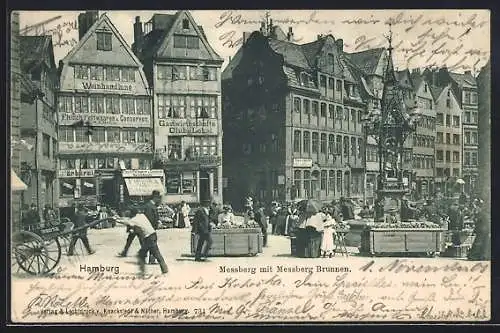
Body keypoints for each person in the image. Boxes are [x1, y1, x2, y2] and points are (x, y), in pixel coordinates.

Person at [116, 207, 168, 275]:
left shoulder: (134, 220)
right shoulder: (142, 215)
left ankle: (143, 271)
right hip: (153, 234)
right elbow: (129, 220)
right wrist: (119, 218)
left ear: (132, 213)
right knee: (156, 253)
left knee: (142, 255)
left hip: (148, 238)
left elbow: (126, 222)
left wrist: (117, 220)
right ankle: (164, 269)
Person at [143, 190, 162, 264]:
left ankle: (151, 259)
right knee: (150, 244)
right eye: (158, 198)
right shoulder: (149, 206)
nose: (159, 200)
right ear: (155, 198)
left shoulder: (152, 206)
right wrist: (155, 225)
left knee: (150, 244)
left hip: (151, 229)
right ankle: (148, 259)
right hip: (149, 229)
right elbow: (150, 219)